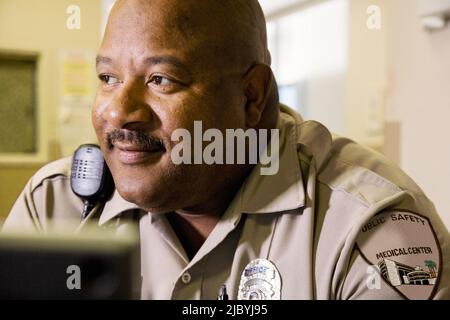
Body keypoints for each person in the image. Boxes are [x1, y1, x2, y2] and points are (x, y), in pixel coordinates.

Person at [3, 0, 449, 300]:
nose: (118, 112)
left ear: (251, 97)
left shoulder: (367, 229)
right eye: (108, 78)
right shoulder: (57, 205)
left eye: (161, 80)